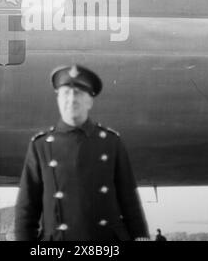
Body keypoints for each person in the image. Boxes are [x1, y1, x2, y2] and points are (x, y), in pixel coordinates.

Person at [15, 64, 149, 241]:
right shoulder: (40, 146)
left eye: (78, 93)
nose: (71, 99)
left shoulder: (110, 142)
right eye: (65, 93)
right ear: (57, 99)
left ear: (90, 101)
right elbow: (27, 209)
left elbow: (129, 201)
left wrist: (140, 237)